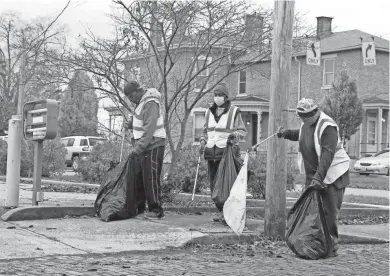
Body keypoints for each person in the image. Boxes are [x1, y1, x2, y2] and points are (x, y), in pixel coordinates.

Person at [277, 98, 350, 257]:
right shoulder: (307, 123)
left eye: (309, 115)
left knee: (329, 212)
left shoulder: (327, 126)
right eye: (302, 116)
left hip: (332, 175)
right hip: (315, 175)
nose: (306, 118)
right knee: (313, 213)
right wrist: (286, 133)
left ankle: (331, 247)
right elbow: (302, 135)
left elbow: (327, 154)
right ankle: (317, 244)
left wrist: (318, 178)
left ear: (316, 111)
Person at [199, 83, 247, 222]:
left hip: (227, 153)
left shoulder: (234, 112)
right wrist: (202, 141)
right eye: (216, 95)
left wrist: (234, 136)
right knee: (214, 184)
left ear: (226, 97)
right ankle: (221, 211)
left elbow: (243, 131)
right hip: (211, 152)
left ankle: (228, 213)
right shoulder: (208, 112)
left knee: (226, 184)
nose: (217, 97)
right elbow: (205, 130)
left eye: (220, 95)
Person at [124, 80, 166, 219]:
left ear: (138, 91)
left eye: (131, 96)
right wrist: (131, 124)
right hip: (144, 146)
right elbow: (142, 122)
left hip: (153, 145)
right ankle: (140, 208)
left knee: (150, 178)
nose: (131, 100)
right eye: (129, 98)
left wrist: (138, 148)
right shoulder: (141, 103)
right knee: (141, 178)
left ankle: (155, 209)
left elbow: (149, 129)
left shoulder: (150, 103)